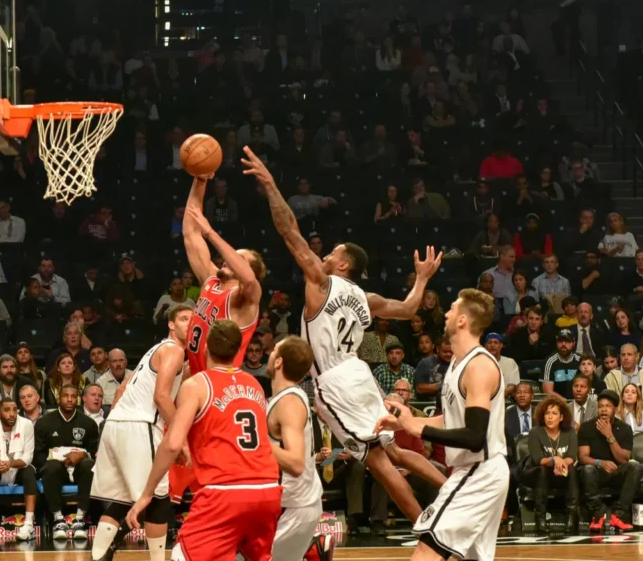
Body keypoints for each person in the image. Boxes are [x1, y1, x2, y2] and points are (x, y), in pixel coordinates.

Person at [244, 147, 447, 525]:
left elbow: (289, 231)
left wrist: (271, 185)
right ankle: (455, 491)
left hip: (335, 382)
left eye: (331, 252)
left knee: (379, 464)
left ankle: (428, 529)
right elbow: (408, 309)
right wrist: (421, 280)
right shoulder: (366, 299)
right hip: (360, 374)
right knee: (395, 453)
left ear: (343, 263)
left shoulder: (321, 283)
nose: (323, 254)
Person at [125, 320, 282, 561]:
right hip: (267, 490)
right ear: (238, 350)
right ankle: (313, 552)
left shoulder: (197, 385)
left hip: (225, 491)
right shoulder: (255, 385)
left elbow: (172, 444)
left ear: (206, 347)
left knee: (181, 556)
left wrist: (147, 493)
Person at [375, 289, 508, 561]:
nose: (446, 313)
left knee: (427, 551)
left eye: (452, 308)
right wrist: (404, 423)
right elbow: (451, 419)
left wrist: (418, 429)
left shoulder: (479, 367)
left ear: (462, 320)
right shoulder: (457, 363)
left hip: (480, 471)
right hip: (474, 471)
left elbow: (475, 437)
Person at [90, 305, 192, 561]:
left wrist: (112, 429)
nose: (189, 324)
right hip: (139, 424)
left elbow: (121, 389)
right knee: (158, 498)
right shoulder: (174, 350)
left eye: (193, 320)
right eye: (183, 319)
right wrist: (180, 439)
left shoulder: (153, 351)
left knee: (121, 499)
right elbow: (161, 397)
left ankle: (98, 557)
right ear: (170, 324)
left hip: (116, 423)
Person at [262, 336, 329, 561]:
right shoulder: (283, 398)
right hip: (290, 504)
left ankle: (314, 550)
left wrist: (256, 442)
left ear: (279, 362)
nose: (269, 354)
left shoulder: (288, 403)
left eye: (274, 350)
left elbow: (295, 463)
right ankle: (314, 550)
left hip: (293, 508)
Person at [33, 384, 100, 541]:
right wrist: (59, 459)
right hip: (56, 470)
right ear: (58, 398)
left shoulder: (89, 423)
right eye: (65, 396)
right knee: (51, 467)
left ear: (78, 399)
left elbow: (96, 454)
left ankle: (80, 520)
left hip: (80, 469)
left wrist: (83, 454)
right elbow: (38, 455)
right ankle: (58, 520)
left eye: (73, 396)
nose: (70, 399)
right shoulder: (44, 423)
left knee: (89, 466)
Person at [577, 390, 641, 532]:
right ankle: (598, 513)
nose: (604, 410)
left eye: (608, 406)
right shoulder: (586, 427)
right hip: (595, 472)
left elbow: (624, 459)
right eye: (600, 406)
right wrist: (600, 462)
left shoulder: (625, 429)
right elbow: (582, 457)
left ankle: (619, 515)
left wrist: (609, 435)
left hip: (616, 471)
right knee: (587, 469)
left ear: (615, 409)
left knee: (635, 467)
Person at [0, 398, 38, 542]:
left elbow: (28, 458)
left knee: (30, 471)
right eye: (7, 410)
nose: (12, 414)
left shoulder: (26, 424)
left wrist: (10, 463)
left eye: (14, 410)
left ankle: (29, 524)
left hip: (18, 468)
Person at [524, 396, 579, 534]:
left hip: (561, 472)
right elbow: (537, 459)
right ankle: (540, 517)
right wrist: (555, 459)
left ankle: (571, 515)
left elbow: (572, 457)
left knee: (572, 469)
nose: (550, 417)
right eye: (547, 413)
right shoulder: (535, 432)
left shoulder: (570, 432)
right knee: (542, 470)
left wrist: (560, 463)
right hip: (538, 474)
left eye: (554, 413)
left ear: (561, 417)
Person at [542, 329, 581, 400]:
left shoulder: (580, 360)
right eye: (560, 341)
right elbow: (547, 391)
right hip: (557, 402)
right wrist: (566, 402)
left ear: (573, 343)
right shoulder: (549, 361)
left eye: (567, 341)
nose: (563, 344)